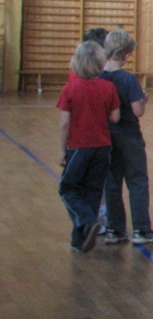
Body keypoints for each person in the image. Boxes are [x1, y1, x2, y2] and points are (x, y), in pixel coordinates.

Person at [57, 41, 121, 253]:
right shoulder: (108, 87)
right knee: (93, 192)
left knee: (67, 189)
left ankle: (87, 219)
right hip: (103, 148)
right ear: (101, 63)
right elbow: (115, 117)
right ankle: (80, 240)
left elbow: (64, 124)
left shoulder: (70, 88)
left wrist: (62, 151)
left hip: (79, 147)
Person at [100, 30, 153, 245]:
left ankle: (114, 229)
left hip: (107, 137)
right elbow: (137, 111)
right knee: (137, 182)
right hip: (129, 136)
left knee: (112, 183)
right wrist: (143, 101)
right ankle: (141, 230)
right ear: (126, 54)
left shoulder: (98, 77)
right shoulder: (127, 79)